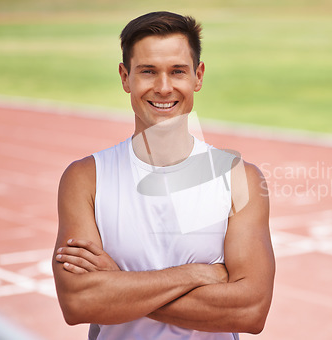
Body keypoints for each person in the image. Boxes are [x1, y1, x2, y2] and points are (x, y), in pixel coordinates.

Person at [52, 11, 275, 340]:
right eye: (148, 72)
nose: (164, 87)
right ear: (125, 77)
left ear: (197, 76)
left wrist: (118, 285)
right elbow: (79, 301)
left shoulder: (240, 180)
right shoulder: (86, 179)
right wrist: (196, 274)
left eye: (177, 71)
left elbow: (250, 311)